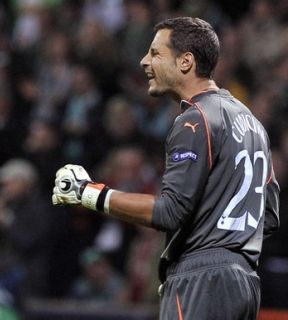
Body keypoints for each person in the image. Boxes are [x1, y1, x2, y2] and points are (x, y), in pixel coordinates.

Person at [52, 17, 280, 320]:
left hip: (200, 279)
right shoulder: (251, 122)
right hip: (244, 283)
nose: (145, 61)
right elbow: (269, 215)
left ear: (185, 61)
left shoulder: (195, 119)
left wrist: (88, 193)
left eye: (156, 53)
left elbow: (169, 211)